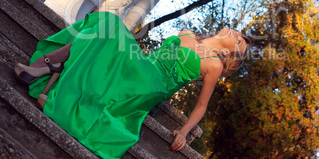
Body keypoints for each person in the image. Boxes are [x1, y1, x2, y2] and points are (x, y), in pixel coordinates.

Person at [14, 11, 250, 159]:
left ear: (230, 54)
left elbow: (201, 105)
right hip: (141, 65)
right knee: (108, 23)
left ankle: (51, 71)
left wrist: (185, 131)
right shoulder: (187, 32)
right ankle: (52, 64)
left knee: (112, 32)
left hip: (152, 85)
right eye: (239, 34)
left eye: (239, 42)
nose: (236, 34)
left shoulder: (214, 65)